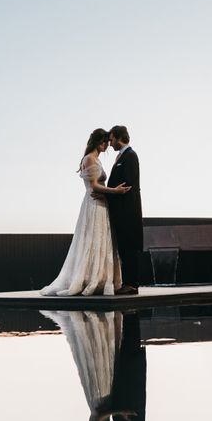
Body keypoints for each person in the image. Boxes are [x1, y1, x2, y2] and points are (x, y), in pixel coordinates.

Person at [41, 128, 131, 296]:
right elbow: (95, 186)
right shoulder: (90, 159)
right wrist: (115, 191)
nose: (107, 145)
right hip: (94, 204)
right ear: (98, 142)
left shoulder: (96, 159)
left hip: (102, 203)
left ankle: (99, 277)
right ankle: (89, 279)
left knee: (101, 240)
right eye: (105, 142)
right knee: (91, 240)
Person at [102, 126, 144, 295]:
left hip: (128, 210)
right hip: (121, 210)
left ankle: (132, 284)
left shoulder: (130, 156)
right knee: (124, 247)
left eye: (111, 139)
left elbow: (126, 184)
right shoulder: (122, 156)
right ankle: (128, 282)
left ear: (119, 138)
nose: (110, 144)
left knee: (129, 246)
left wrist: (107, 194)